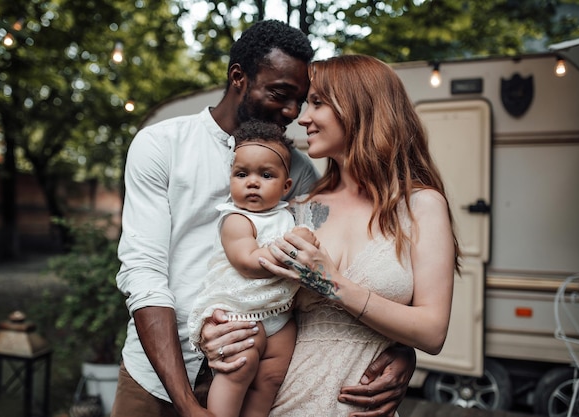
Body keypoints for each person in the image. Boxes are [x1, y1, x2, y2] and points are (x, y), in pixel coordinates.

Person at [112, 19, 415, 417]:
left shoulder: (302, 173)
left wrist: (400, 350)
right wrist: (186, 403)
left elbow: (327, 278)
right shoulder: (162, 145)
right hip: (156, 379)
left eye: (302, 100)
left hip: (262, 382)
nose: (292, 112)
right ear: (239, 77)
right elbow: (144, 275)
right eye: (279, 94)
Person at [254, 54, 462, 416]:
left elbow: (432, 333)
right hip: (287, 404)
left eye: (317, 103)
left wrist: (333, 284)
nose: (303, 118)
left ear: (360, 107)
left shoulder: (421, 207)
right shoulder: (296, 209)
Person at [188, 120, 318, 417]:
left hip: (280, 316)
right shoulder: (235, 219)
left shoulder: (288, 217)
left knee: (270, 380)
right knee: (236, 372)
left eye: (266, 174)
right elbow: (249, 262)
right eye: (242, 174)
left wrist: (305, 240)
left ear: (286, 186)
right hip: (239, 313)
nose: (252, 182)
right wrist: (292, 249)